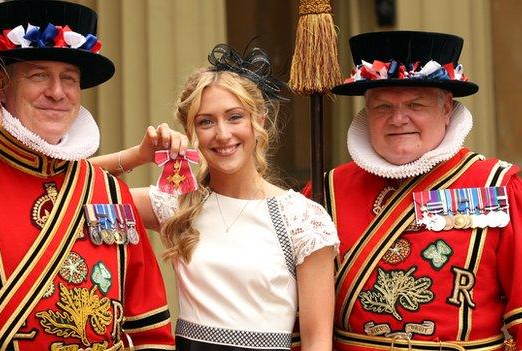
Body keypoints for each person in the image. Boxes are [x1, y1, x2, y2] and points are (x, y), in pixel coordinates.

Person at [0, 1, 174, 350]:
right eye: (38, 75)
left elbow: (152, 335)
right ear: (0, 87)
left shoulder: (111, 193)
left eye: (68, 78)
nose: (57, 92)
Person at [91, 44, 339, 351]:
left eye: (234, 117)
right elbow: (74, 188)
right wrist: (138, 155)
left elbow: (318, 342)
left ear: (259, 120)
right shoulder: (176, 203)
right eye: (206, 121)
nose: (222, 134)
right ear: (190, 131)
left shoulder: (303, 219)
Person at [320, 31, 522, 350]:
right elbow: (299, 321)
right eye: (382, 106)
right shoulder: (325, 191)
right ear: (366, 113)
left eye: (415, 104)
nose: (398, 119)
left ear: (447, 108)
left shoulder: (499, 186)